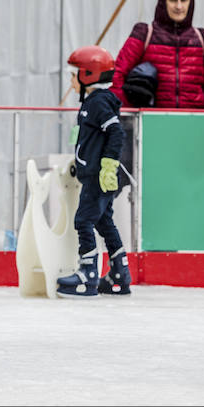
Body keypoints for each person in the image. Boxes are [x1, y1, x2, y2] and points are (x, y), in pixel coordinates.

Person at [56, 46, 130, 298]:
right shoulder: (92, 103)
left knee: (83, 220)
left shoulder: (98, 103)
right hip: (94, 174)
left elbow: (117, 132)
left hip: (99, 177)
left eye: (73, 75)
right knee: (103, 221)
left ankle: (88, 275)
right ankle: (120, 273)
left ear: (88, 75)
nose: (70, 80)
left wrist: (108, 165)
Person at [111, 0, 204, 110]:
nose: (179, 6)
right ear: (163, 2)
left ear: (191, 2)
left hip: (194, 123)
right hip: (152, 122)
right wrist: (135, 112)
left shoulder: (203, 37)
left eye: (184, 0)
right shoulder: (144, 33)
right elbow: (117, 76)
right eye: (173, 0)